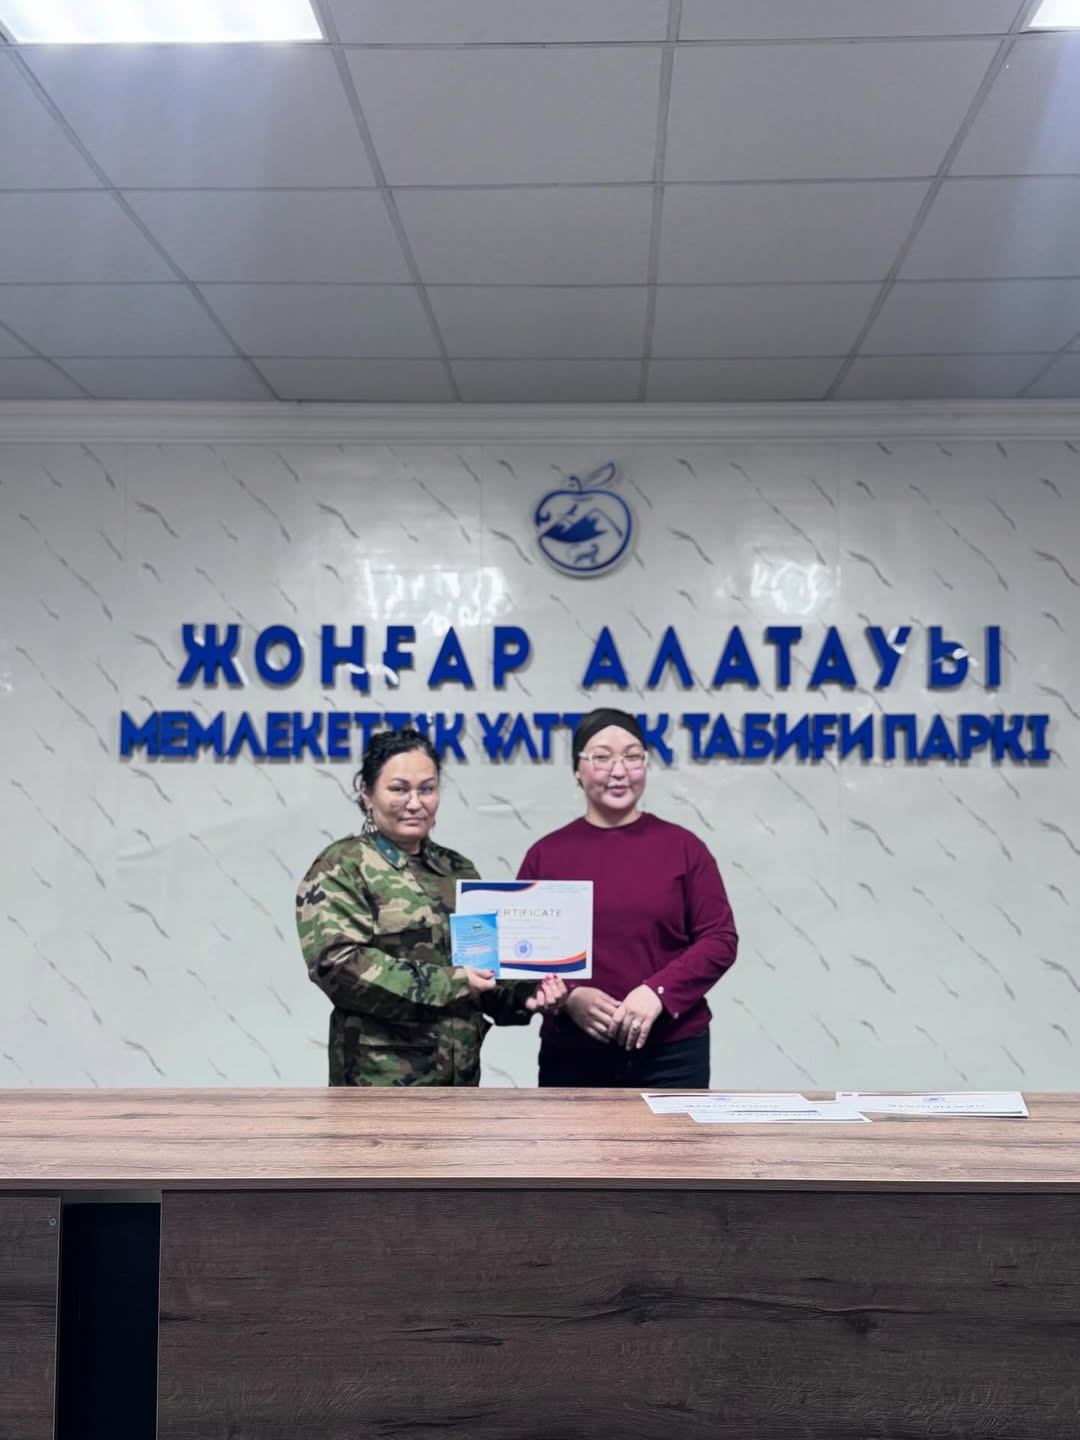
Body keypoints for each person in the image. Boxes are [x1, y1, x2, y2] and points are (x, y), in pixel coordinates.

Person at [297, 728, 564, 1086]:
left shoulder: (457, 869)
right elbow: (338, 967)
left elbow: (482, 967)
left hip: (460, 1082)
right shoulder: (342, 866)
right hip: (379, 1085)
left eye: (426, 789)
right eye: (398, 789)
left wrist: (526, 995)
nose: (414, 802)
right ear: (367, 793)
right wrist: (452, 982)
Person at [518, 708, 738, 1088]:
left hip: (672, 1053)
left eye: (632, 757)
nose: (618, 771)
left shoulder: (684, 848)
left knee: (672, 1134)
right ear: (577, 769)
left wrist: (658, 992)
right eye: (602, 757)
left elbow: (719, 939)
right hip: (572, 1054)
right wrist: (570, 997)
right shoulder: (547, 855)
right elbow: (521, 953)